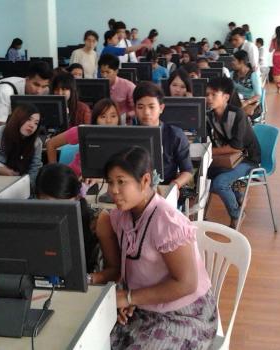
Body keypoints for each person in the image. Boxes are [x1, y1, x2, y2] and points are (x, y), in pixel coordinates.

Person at [102, 146, 217, 349]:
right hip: (144, 306)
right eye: (110, 183)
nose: (113, 191)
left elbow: (186, 284)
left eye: (121, 182)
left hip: (185, 313)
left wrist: (129, 297)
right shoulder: (121, 216)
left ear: (145, 181)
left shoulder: (167, 222)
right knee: (98, 340)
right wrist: (127, 299)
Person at [35, 163, 119, 279]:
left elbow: (114, 271)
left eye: (62, 205)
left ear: (77, 198)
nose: (55, 213)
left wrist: (86, 280)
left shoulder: (96, 222)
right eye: (47, 205)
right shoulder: (32, 222)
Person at [205, 77, 261, 228]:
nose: (209, 98)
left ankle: (237, 214)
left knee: (220, 183)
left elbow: (236, 147)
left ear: (226, 97)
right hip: (231, 158)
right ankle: (238, 196)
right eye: (207, 94)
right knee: (203, 177)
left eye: (213, 94)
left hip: (248, 159)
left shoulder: (237, 114)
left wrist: (210, 151)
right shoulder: (210, 116)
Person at [134, 82, 193, 187]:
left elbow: (187, 171)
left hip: (164, 187)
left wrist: (175, 185)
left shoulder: (175, 135)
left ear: (161, 108)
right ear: (134, 109)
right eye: (140, 107)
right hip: (135, 189)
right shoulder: (129, 134)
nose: (146, 112)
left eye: (151, 107)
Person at [46, 98, 121, 177]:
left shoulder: (124, 137)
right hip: (75, 178)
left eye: (113, 116)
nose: (109, 121)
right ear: (96, 119)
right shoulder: (82, 131)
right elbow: (51, 144)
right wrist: (53, 172)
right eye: (103, 116)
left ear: (118, 118)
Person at [0, 61, 52, 126]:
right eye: (36, 85)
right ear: (27, 79)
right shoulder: (6, 91)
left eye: (44, 86)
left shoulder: (45, 90)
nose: (39, 91)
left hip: (10, 112)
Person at [0, 103, 42, 186]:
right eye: (29, 119)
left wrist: (27, 187)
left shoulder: (36, 143)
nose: (32, 125)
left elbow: (35, 168)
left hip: (20, 183)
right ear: (18, 118)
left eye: (36, 123)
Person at [98, 54, 136, 124]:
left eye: (108, 72)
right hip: (101, 123)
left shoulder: (129, 86)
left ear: (116, 71)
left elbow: (136, 109)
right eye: (102, 72)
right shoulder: (97, 85)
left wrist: (124, 116)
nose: (104, 75)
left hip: (123, 125)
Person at [231, 50, 262, 119]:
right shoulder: (233, 74)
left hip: (252, 103)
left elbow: (258, 95)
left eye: (234, 60)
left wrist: (246, 102)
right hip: (238, 102)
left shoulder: (253, 75)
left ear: (241, 62)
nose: (232, 62)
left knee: (238, 116)